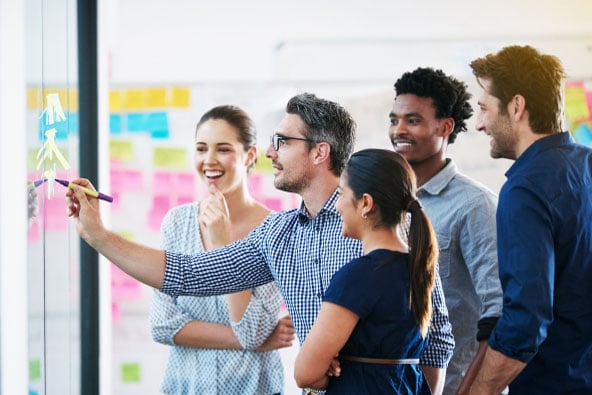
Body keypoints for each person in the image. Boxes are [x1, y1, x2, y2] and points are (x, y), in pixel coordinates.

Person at [66, 93, 455, 394]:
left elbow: (435, 335)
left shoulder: (378, 225)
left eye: (282, 141)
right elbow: (186, 274)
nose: (270, 153)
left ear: (320, 152)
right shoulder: (277, 234)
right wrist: (98, 234)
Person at [467, 45, 592, 394]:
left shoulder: (525, 190)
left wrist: (481, 391)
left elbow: (525, 320)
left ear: (516, 106)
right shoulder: (586, 165)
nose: (479, 124)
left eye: (483, 109)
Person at [149, 105, 294, 394]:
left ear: (249, 155)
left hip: (255, 388)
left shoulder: (276, 230)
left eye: (223, 149)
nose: (209, 160)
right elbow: (162, 325)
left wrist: (222, 243)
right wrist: (258, 341)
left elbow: (253, 329)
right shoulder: (176, 223)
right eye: (201, 149)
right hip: (186, 386)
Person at [389, 67, 503, 394]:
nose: (399, 130)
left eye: (412, 120)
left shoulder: (475, 206)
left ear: (445, 126)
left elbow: (500, 316)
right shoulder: (386, 204)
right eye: (394, 120)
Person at [294, 148, 438, 394]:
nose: (337, 206)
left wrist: (334, 366)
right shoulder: (418, 267)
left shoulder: (358, 276)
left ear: (366, 203)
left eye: (340, 194)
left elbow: (305, 373)